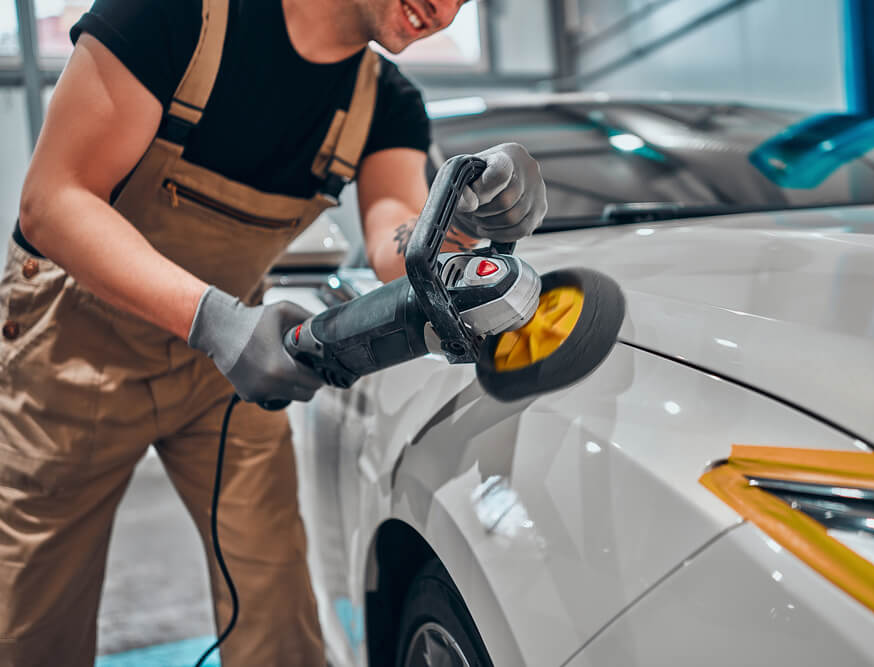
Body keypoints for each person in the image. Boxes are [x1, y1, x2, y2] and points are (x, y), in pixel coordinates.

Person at [0, 0, 547, 663]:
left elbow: (393, 232)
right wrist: (213, 321)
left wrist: (458, 222)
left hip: (226, 367)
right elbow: (54, 200)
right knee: (28, 625)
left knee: (277, 616)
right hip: (74, 348)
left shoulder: (386, 102)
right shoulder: (172, 16)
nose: (445, 9)